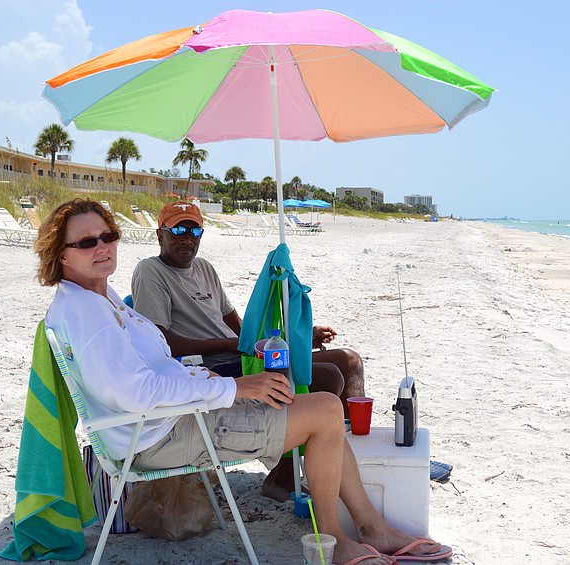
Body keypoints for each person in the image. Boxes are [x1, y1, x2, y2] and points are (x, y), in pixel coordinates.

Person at [36, 199, 452, 565]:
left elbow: (153, 368)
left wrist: (209, 376)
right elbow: (138, 392)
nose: (102, 247)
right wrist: (235, 387)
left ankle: (367, 527)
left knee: (323, 402)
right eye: (86, 242)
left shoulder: (95, 299)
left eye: (107, 236)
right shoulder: (89, 314)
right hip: (162, 434)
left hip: (171, 417)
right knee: (325, 410)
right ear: (62, 255)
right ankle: (341, 539)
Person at [131, 201, 365, 501]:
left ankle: (354, 468)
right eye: (177, 230)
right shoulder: (151, 271)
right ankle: (282, 477)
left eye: (194, 230)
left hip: (238, 355)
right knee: (328, 377)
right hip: (211, 370)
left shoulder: (204, 268)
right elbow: (160, 342)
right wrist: (230, 344)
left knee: (348, 361)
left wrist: (299, 339)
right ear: (159, 234)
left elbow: (240, 327)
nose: (186, 238)